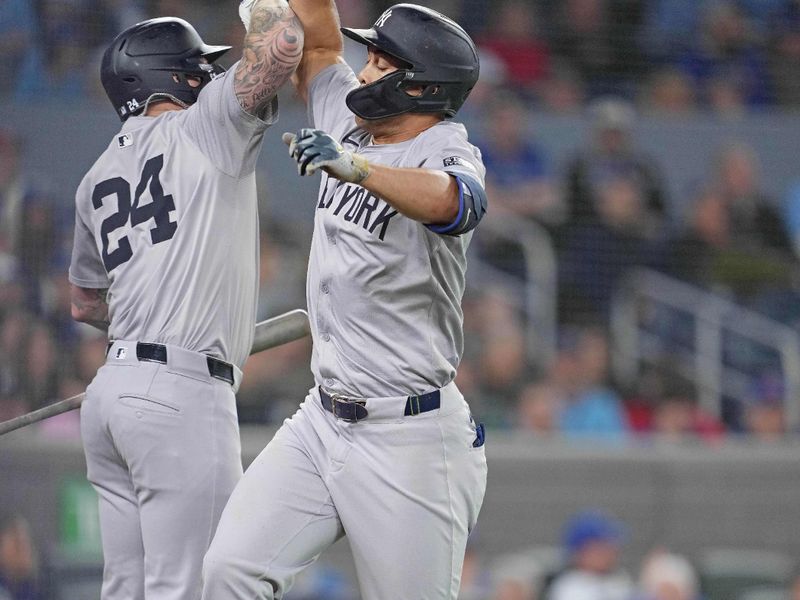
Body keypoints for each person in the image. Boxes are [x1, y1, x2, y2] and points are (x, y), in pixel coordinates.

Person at [202, 2, 488, 599]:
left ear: (422, 86)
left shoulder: (442, 147)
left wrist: (356, 167)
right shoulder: (352, 120)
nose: (364, 71)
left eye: (381, 62)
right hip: (322, 419)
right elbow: (324, 46)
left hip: (408, 437)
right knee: (230, 571)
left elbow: (457, 203)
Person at [67, 5, 303, 599]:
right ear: (171, 77)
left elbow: (83, 304)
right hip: (181, 395)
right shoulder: (206, 127)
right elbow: (283, 44)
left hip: (110, 397)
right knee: (192, 588)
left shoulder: (95, 177)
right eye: (196, 69)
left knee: (127, 588)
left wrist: (143, 341)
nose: (205, 78)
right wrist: (265, 8)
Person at [546, 509, 634, 600]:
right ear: (582, 552)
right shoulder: (569, 588)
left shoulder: (619, 580)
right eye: (602, 547)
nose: (611, 552)